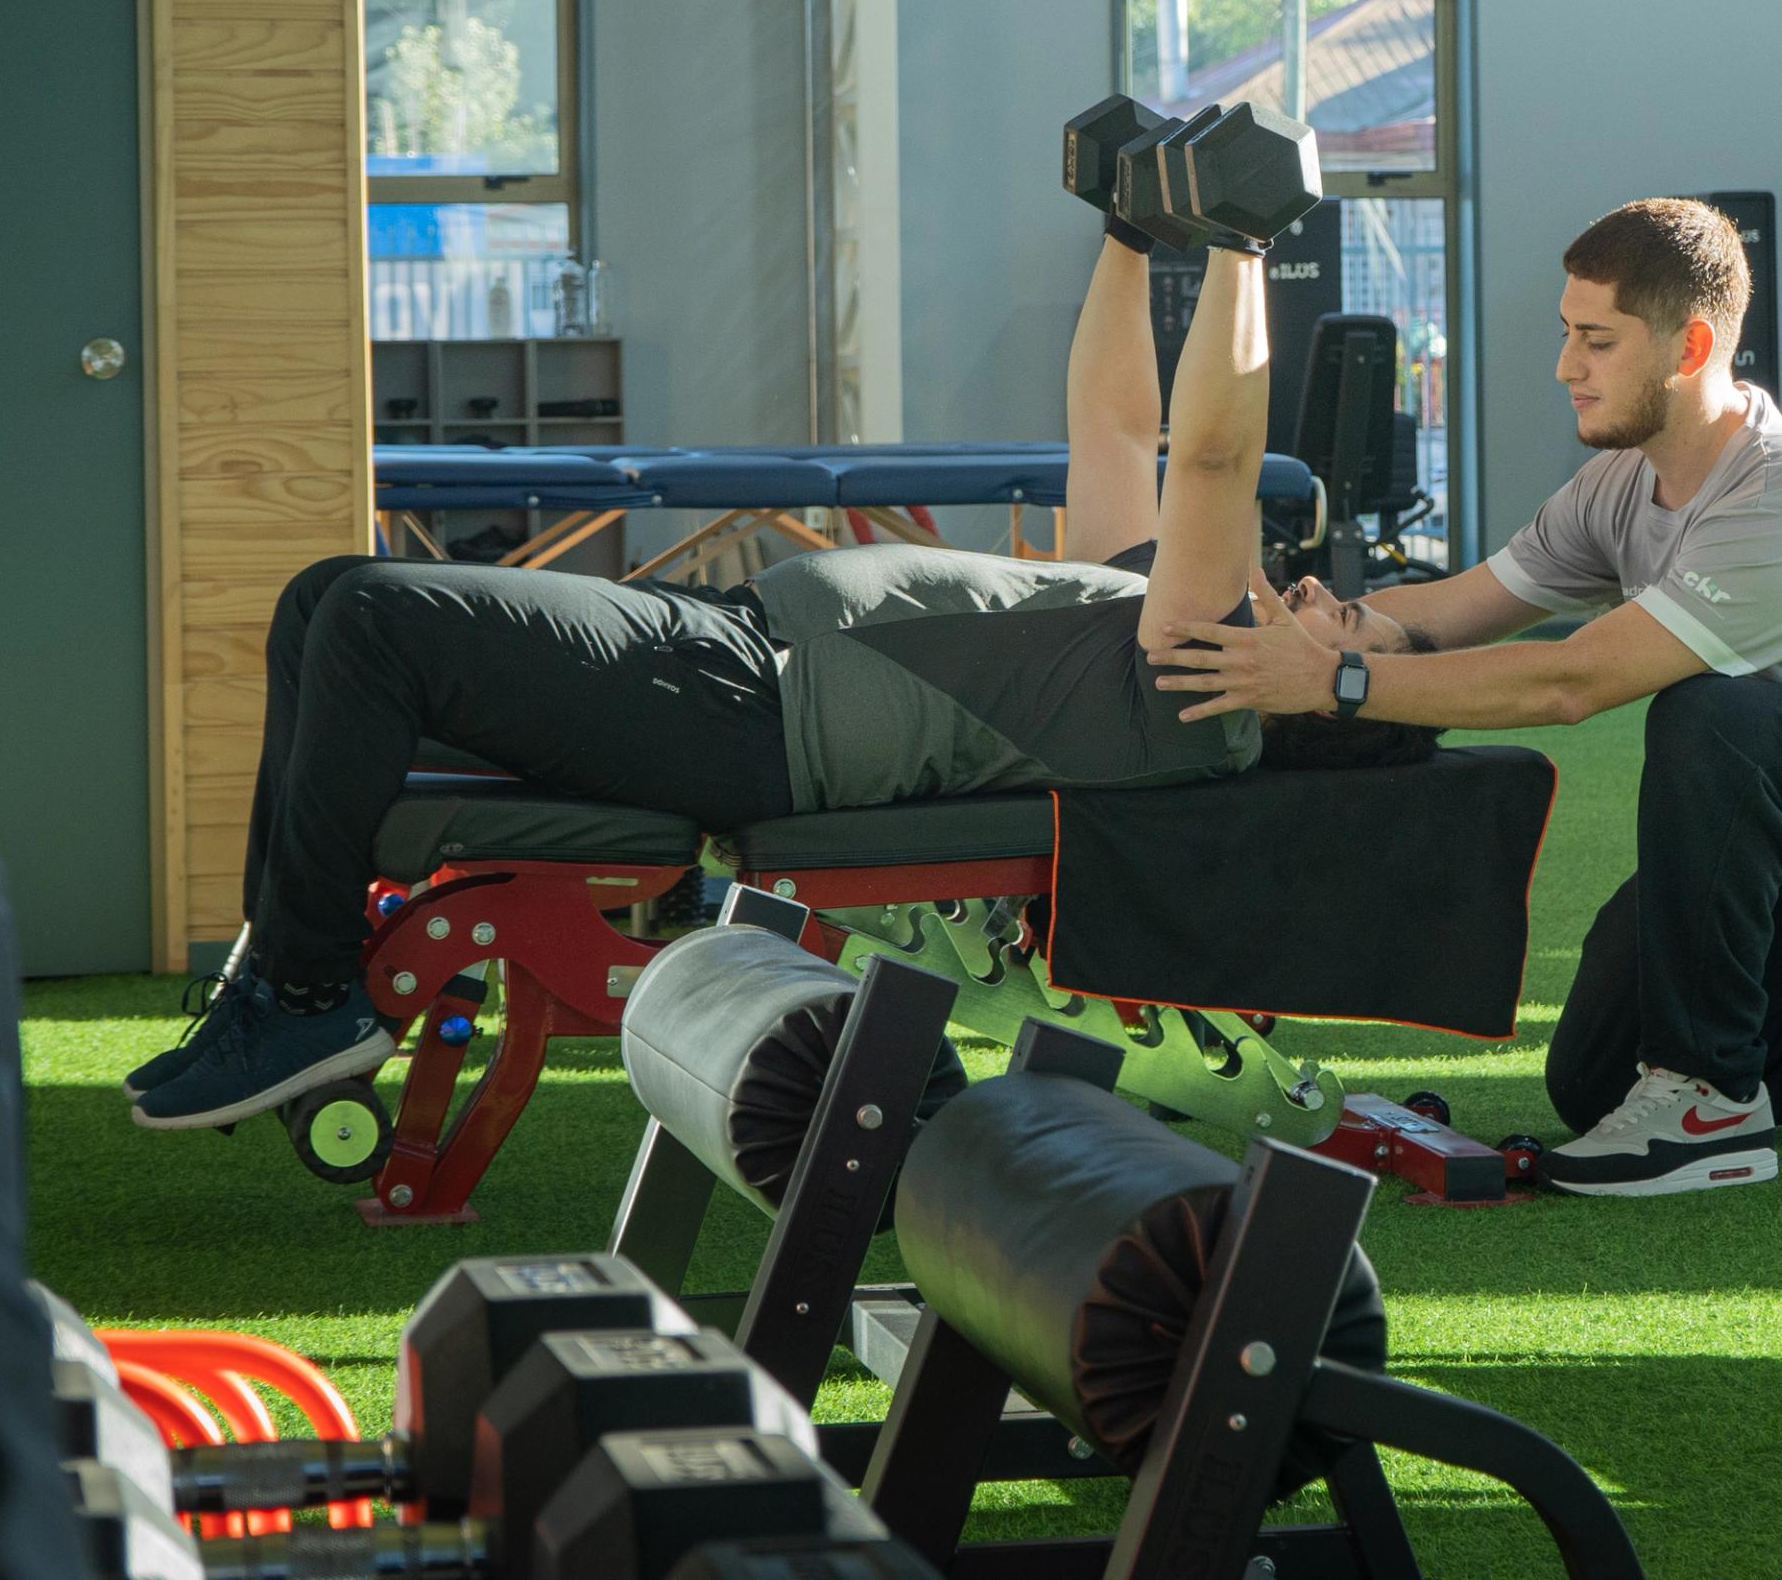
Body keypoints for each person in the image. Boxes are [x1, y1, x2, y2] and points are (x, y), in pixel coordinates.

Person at [129, 200, 1424, 1132]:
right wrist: (1135, 234)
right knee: (325, 599)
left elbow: (1210, 459)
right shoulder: (1159, 604)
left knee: (370, 621)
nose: (1325, 589)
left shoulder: (1212, 684)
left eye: (1352, 624)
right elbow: (1118, 424)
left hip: (751, 712)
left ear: (1321, 696)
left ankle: (307, 993)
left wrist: (1248, 242)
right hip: (734, 654)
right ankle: (274, 975)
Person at [1152, 198, 1782, 1198]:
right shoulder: (1620, 483)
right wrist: (1317, 622)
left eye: (1596, 339)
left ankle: (1708, 1104)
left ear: (1691, 344)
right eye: (1567, 333)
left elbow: (1573, 681)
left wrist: (1339, 680)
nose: (1567, 366)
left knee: (1708, 712)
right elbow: (1456, 608)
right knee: (1595, 1078)